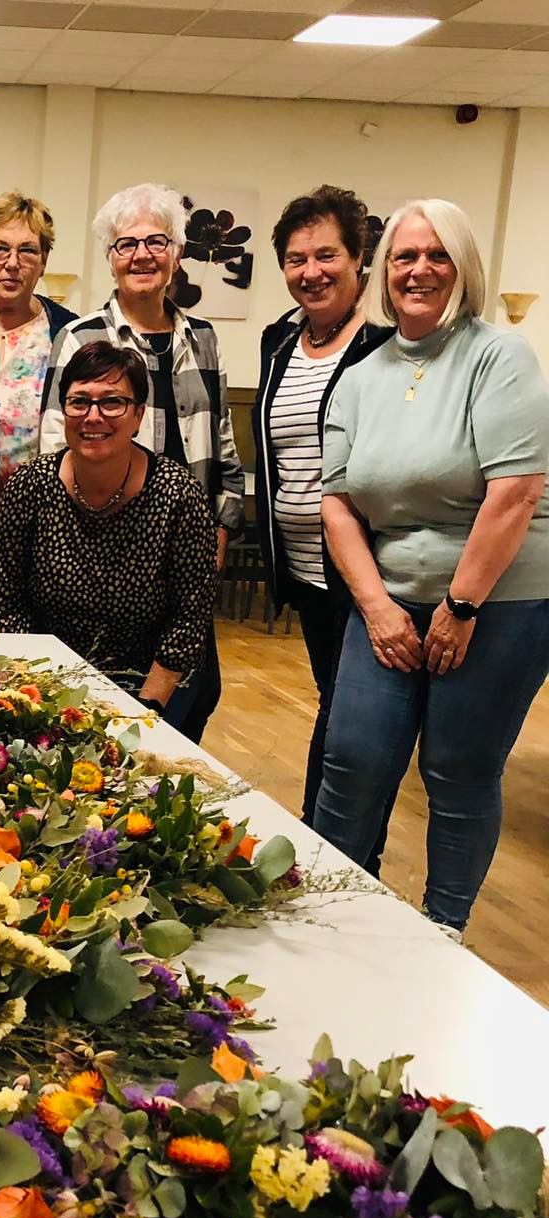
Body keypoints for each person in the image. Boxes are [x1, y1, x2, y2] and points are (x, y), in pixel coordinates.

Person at [314, 198, 549, 937]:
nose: (419, 270)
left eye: (436, 255)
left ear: (463, 267)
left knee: (457, 768)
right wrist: (379, 608)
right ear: (382, 272)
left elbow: (514, 493)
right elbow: (337, 504)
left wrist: (462, 606)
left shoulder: (498, 356)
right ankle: (334, 907)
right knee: (351, 757)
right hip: (387, 599)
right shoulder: (362, 375)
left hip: (499, 604)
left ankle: (443, 927)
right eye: (404, 257)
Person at [39, 182, 246, 741]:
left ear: (177, 254)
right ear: (110, 259)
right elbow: (55, 450)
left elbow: (223, 446)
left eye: (157, 241)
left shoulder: (202, 338)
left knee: (192, 696)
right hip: (105, 553)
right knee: (106, 704)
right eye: (126, 244)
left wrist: (219, 528)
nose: (142, 255)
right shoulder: (81, 337)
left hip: (187, 548)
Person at [0, 341, 217, 723]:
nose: (93, 416)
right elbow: (2, 603)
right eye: (79, 402)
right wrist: (36, 698)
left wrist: (143, 714)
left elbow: (189, 619)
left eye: (112, 402)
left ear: (139, 414)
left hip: (149, 686)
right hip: (41, 681)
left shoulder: (178, 494)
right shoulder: (30, 486)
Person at [253, 186, 392, 832]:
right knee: (335, 709)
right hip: (307, 569)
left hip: (368, 570)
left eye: (326, 254)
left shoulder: (387, 344)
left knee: (352, 724)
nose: (311, 272)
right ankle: (331, 848)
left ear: (359, 256)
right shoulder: (277, 340)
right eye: (296, 259)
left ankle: (331, 847)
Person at [0, 191, 77, 490]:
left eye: (27, 251)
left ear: (43, 261)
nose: (12, 263)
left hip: (36, 509)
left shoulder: (68, 333)